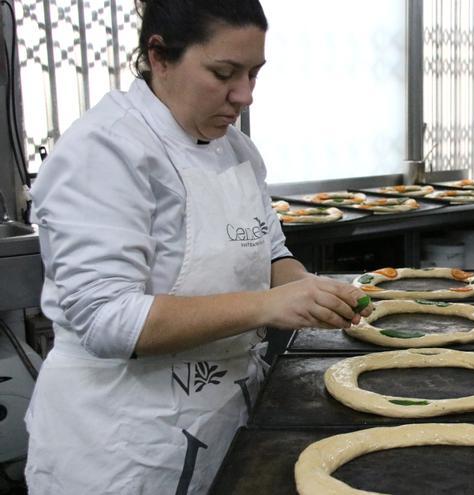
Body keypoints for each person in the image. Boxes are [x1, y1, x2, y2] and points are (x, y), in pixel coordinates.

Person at [23, 1, 370, 493]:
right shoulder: (105, 150)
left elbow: (268, 251)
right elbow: (107, 319)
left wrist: (309, 289)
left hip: (222, 413)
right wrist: (270, 306)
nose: (244, 95)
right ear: (159, 56)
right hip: (125, 443)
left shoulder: (236, 150)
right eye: (224, 72)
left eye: (254, 73)